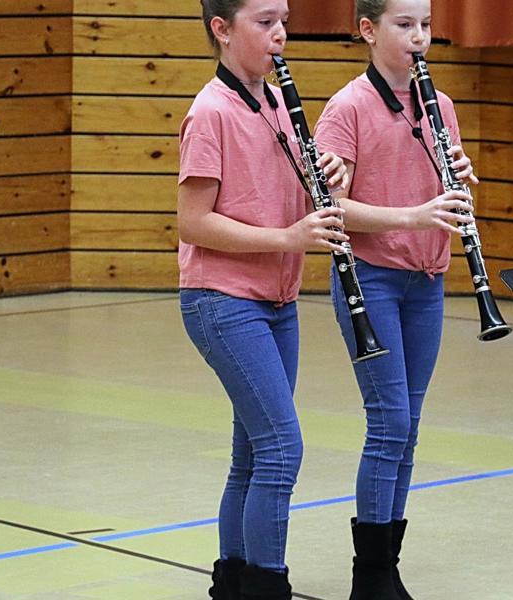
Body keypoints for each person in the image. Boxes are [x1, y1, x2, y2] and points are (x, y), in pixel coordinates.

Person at [178, 1, 350, 598]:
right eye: (264, 22)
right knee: (282, 448)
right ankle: (266, 587)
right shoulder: (211, 113)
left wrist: (330, 179)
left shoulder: (277, 103)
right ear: (221, 29)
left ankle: (231, 585)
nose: (280, 34)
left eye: (283, 20)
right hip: (220, 299)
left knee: (252, 452)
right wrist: (288, 238)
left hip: (276, 299)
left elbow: (291, 199)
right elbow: (192, 223)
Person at [314, 0, 478, 597]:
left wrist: (459, 188)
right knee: (390, 423)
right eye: (404, 25)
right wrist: (416, 214)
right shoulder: (347, 108)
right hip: (371, 277)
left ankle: (388, 566)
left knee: (408, 429)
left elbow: (449, 196)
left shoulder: (442, 107)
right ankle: (371, 577)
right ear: (368, 30)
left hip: (426, 281)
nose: (419, 38)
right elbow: (331, 207)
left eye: (426, 26)